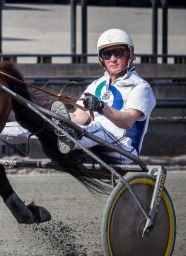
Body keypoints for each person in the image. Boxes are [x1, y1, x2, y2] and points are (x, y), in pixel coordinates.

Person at [54, 28, 156, 163]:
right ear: (101, 58)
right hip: (94, 141)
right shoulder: (97, 85)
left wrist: (101, 107)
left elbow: (127, 121)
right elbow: (78, 117)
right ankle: (20, 132)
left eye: (118, 53)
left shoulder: (140, 86)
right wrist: (55, 117)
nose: (113, 59)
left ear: (129, 55)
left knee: (98, 128)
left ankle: (74, 137)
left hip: (124, 150)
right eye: (107, 54)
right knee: (44, 123)